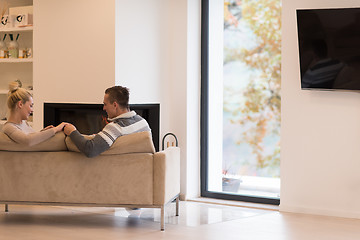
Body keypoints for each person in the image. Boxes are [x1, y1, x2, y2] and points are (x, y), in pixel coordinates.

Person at [63, 86, 151, 158]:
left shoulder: (115, 127)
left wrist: (72, 131)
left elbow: (90, 150)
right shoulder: (143, 122)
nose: (103, 108)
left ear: (115, 105)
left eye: (105, 104)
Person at [2, 81, 68, 146]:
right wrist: (56, 129)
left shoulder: (24, 123)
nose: (32, 110)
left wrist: (43, 132)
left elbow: (31, 137)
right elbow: (28, 140)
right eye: (30, 106)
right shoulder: (9, 127)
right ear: (20, 104)